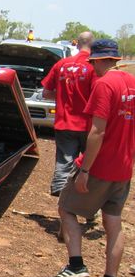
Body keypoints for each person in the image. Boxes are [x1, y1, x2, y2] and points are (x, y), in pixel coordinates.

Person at [45, 40, 135, 277]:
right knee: (113, 224)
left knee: (66, 207)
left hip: (100, 167)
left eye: (92, 63)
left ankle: (75, 264)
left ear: (97, 60)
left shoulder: (104, 85)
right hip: (123, 169)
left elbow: (97, 131)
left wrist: (84, 170)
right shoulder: (131, 83)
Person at [42, 32, 95, 197]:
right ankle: (88, 208)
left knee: (64, 163)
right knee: (89, 165)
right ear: (92, 45)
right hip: (89, 126)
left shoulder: (61, 64)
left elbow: (46, 93)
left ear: (77, 44)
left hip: (64, 124)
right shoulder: (94, 67)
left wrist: (61, 96)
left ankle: (61, 200)